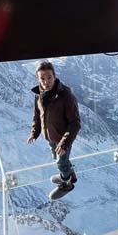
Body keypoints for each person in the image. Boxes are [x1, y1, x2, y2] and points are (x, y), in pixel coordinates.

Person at [27, 61, 82, 200]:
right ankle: (70, 174)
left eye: (49, 77)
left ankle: (66, 184)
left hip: (63, 138)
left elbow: (75, 123)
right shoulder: (38, 94)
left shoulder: (66, 96)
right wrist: (34, 132)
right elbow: (37, 116)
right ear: (37, 79)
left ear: (55, 76)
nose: (46, 82)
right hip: (50, 136)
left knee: (61, 162)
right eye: (42, 78)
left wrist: (64, 144)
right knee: (58, 159)